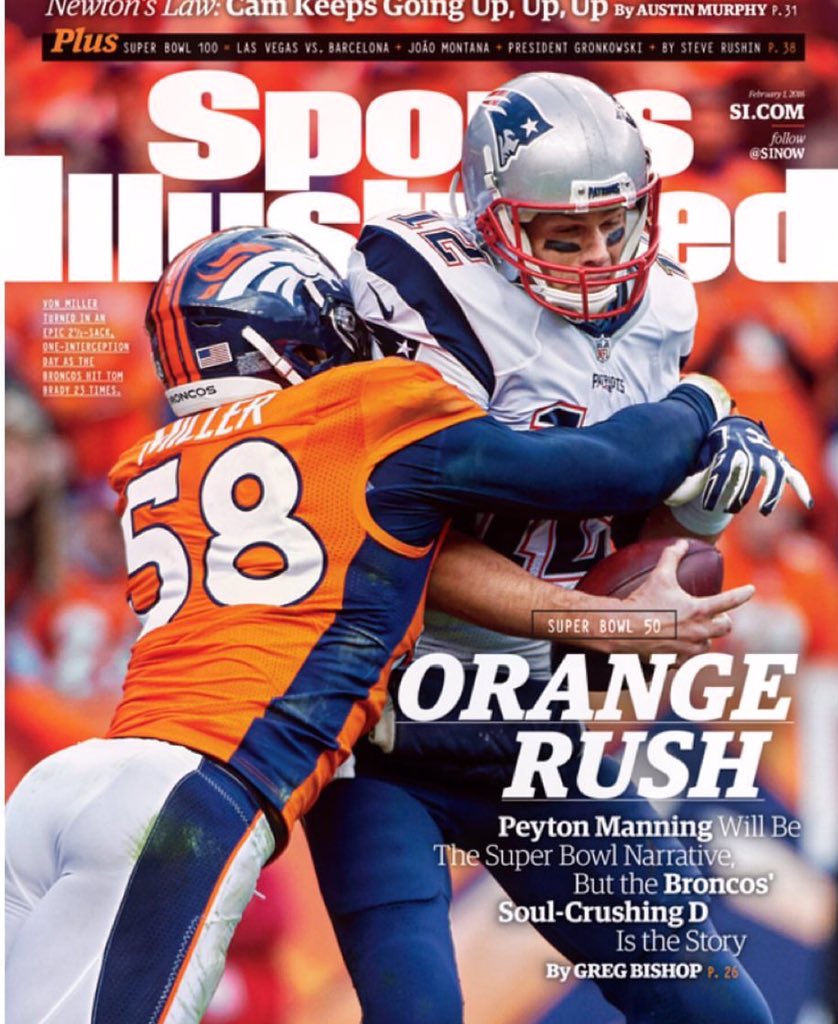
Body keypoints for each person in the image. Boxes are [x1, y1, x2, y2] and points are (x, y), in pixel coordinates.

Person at [4, 226, 756, 1024]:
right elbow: (602, 470)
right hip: (203, 792)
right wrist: (707, 400)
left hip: (77, 781)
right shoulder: (360, 413)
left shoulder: (147, 460)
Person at [305, 73, 810, 1024]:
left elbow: (624, 530)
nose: (600, 257)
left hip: (531, 722)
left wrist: (693, 513)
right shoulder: (420, 288)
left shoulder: (663, 306)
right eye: (563, 235)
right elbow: (403, 537)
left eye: (617, 226)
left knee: (721, 1013)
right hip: (391, 717)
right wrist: (600, 619)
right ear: (491, 219)